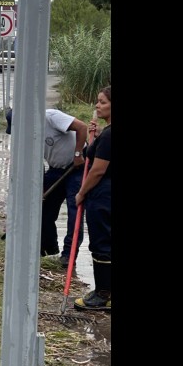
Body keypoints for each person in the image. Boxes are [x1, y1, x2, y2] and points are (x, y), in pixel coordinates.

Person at [74, 86, 111, 311]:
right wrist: (95, 138)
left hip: (103, 196)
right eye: (98, 101)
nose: (97, 105)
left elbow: (97, 170)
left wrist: (82, 192)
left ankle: (103, 294)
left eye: (103, 102)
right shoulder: (106, 134)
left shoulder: (109, 135)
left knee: (101, 244)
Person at [41, 109, 89, 267]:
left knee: (74, 211)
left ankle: (69, 255)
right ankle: (48, 248)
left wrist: (78, 154)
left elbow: (82, 127)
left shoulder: (51, 117)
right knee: (43, 209)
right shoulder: (26, 134)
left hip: (76, 167)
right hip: (55, 169)